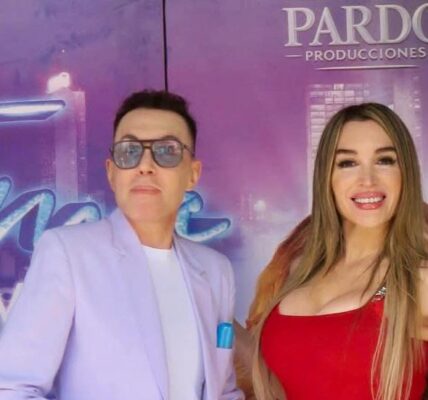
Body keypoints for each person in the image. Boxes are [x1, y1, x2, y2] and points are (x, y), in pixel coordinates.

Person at [0, 90, 243, 400]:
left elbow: (224, 392)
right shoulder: (68, 253)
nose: (145, 166)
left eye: (167, 151)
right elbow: (13, 388)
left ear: (192, 174)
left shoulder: (216, 270)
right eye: (129, 151)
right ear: (112, 171)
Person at [238, 103, 428, 400]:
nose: (368, 180)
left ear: (406, 173)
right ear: (327, 177)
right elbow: (273, 376)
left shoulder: (418, 278)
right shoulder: (297, 263)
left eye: (385, 160)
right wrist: (210, 310)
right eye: (347, 163)